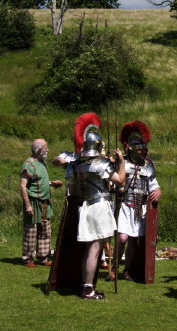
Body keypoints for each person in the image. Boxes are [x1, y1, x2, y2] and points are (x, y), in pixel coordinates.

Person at [65, 113, 125, 299]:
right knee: (94, 248)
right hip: (98, 206)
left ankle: (86, 284)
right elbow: (120, 181)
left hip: (84, 206)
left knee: (91, 247)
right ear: (98, 145)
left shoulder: (76, 165)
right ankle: (88, 288)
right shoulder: (101, 163)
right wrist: (121, 162)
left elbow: (72, 188)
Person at [117, 120, 161, 282]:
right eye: (140, 150)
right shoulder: (122, 163)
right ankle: (114, 267)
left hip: (140, 207)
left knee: (134, 240)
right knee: (122, 238)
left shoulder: (148, 166)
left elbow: (154, 186)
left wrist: (157, 192)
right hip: (124, 205)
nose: (142, 153)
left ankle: (127, 270)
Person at [20, 139, 62, 267]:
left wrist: (51, 183)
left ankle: (43, 257)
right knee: (31, 230)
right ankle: (27, 258)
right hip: (33, 203)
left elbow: (39, 181)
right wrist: (27, 205)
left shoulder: (42, 163)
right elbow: (23, 186)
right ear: (38, 150)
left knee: (45, 229)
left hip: (44, 204)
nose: (47, 150)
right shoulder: (28, 164)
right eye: (45, 148)